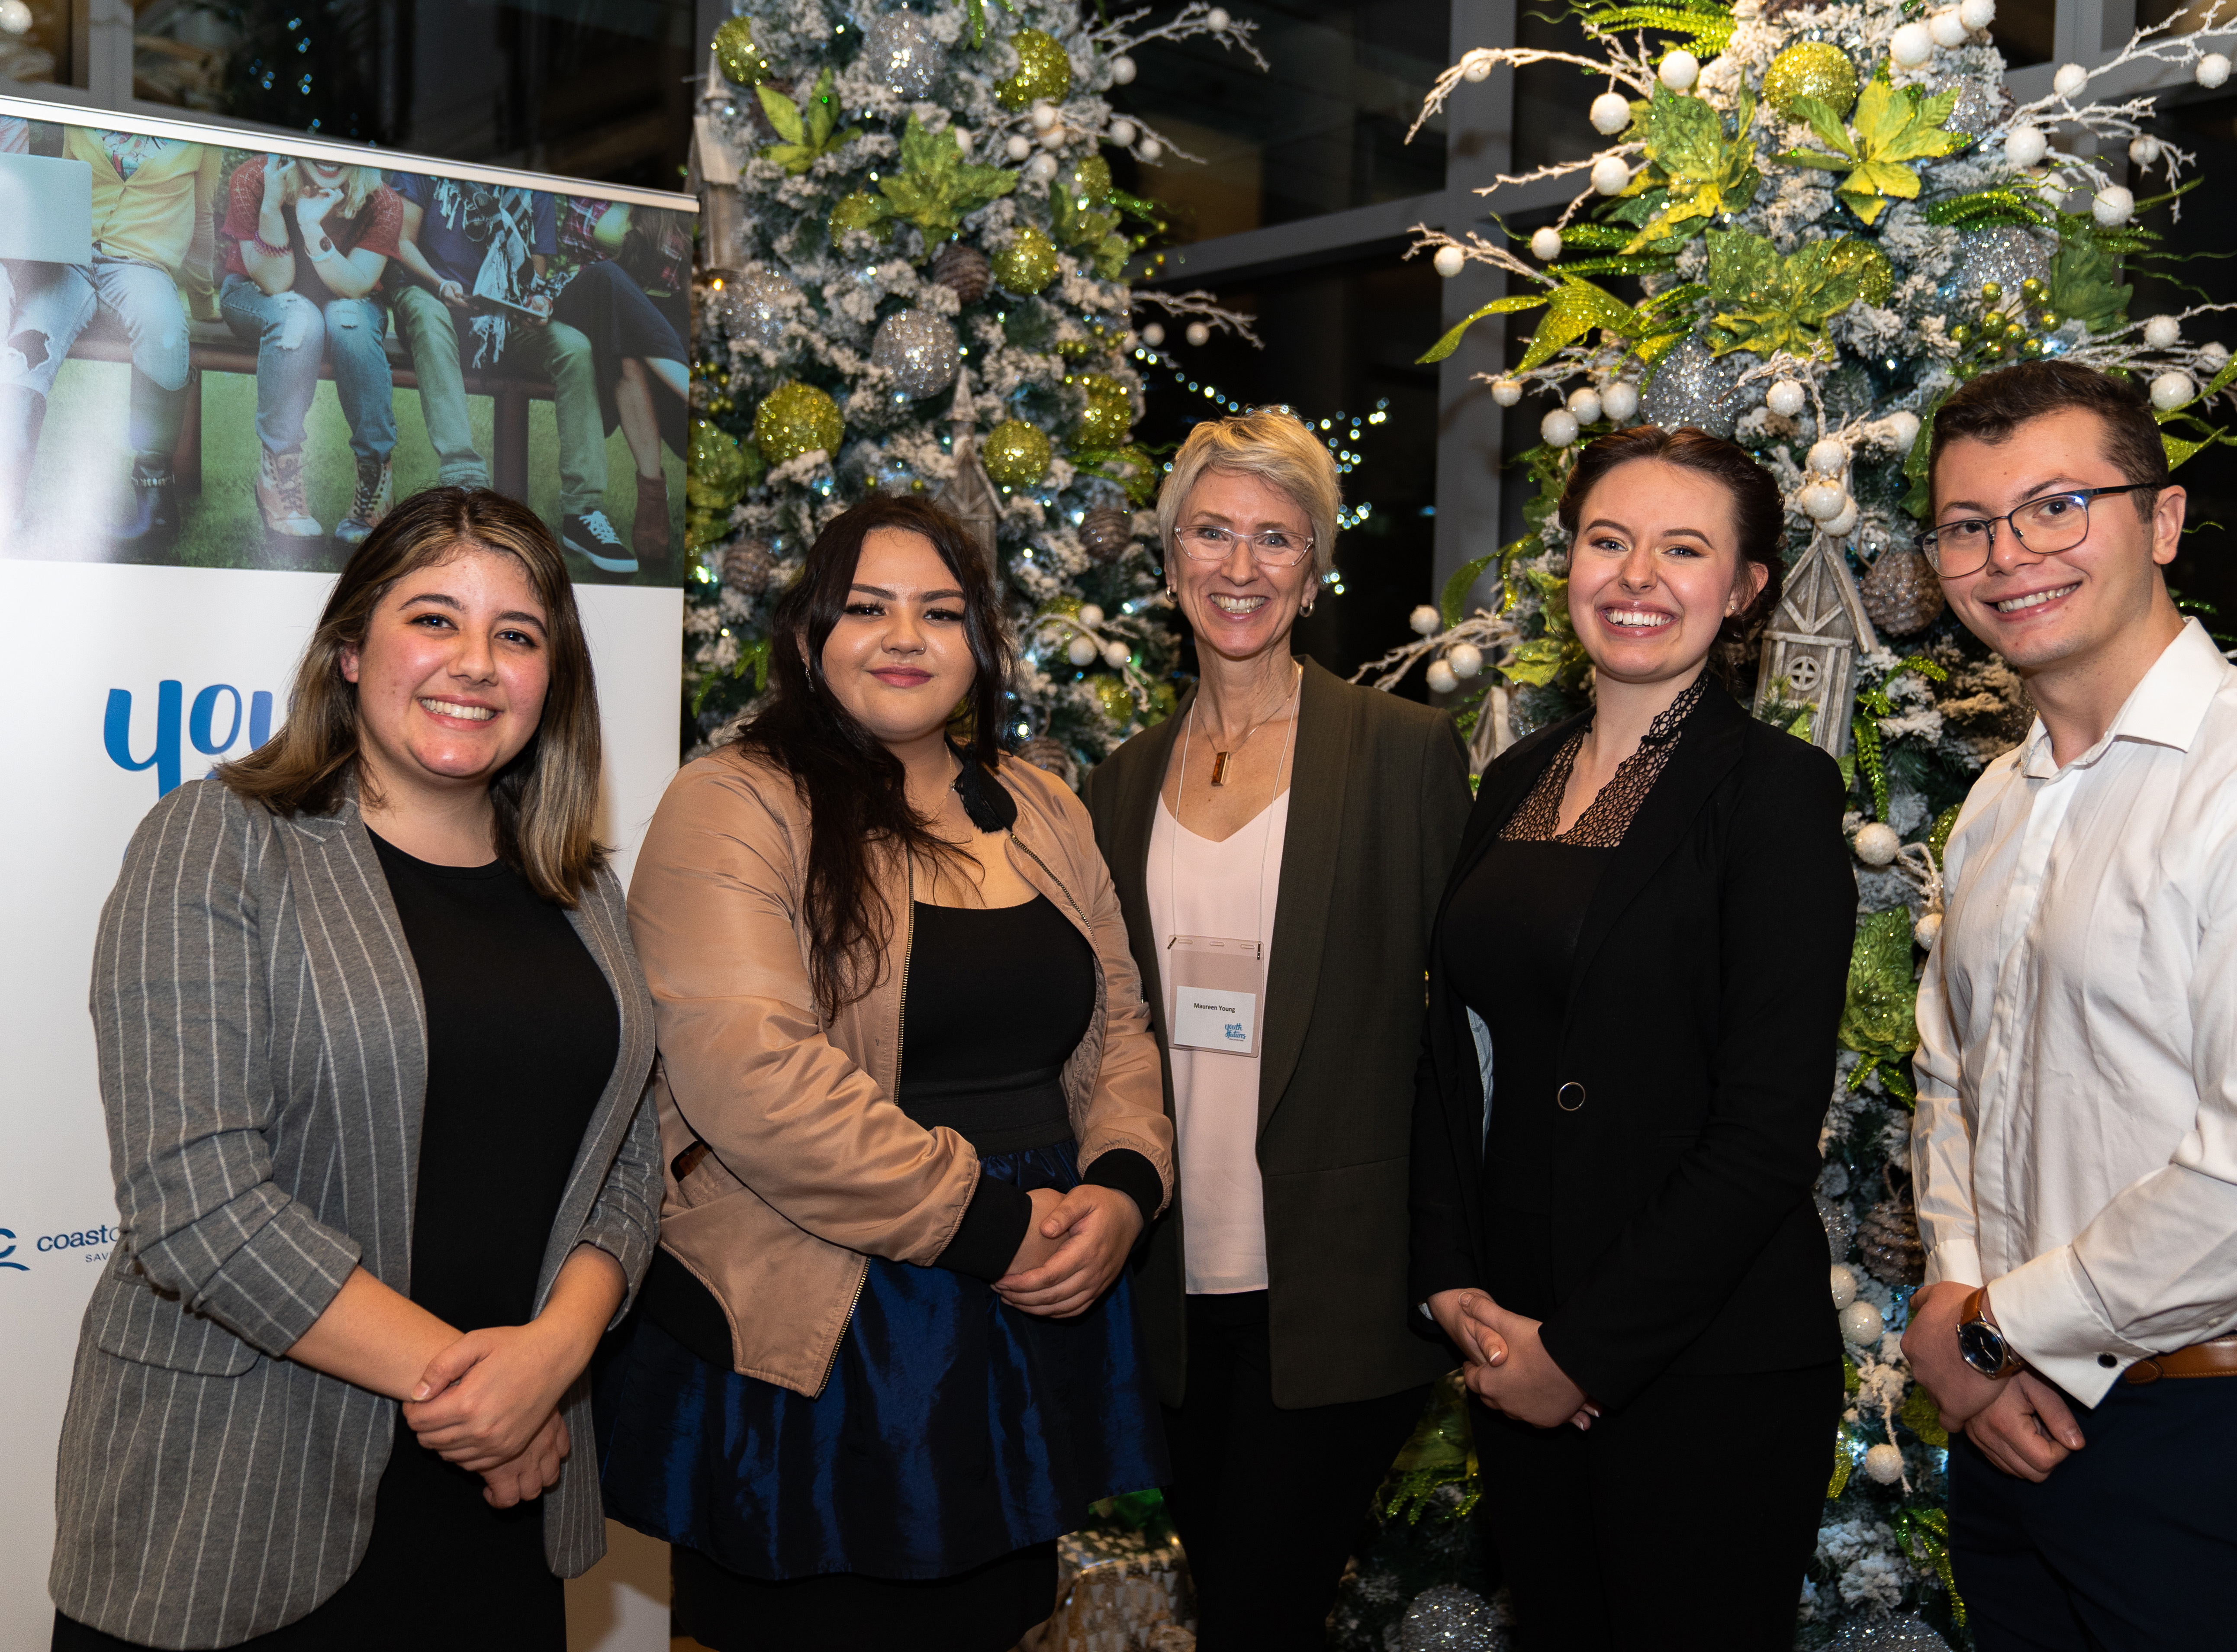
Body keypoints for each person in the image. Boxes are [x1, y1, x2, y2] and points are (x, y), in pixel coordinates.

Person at [50, 486, 662, 1650]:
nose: (474, 664)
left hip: (497, 1508)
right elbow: (197, 1201)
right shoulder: (219, 839)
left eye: (517, 635)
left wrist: (554, 1356)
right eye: (434, 619)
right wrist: (484, 1392)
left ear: (551, 679)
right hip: (236, 1504)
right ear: (349, 648)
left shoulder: (584, 892)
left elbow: (628, 1167)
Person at [1898, 360, 2237, 1650]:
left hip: (2232, 1452)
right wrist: (1959, 1300)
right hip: (2016, 1424)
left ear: (2163, 520)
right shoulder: (2000, 807)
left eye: (2056, 506)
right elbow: (1955, 1085)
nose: (2006, 554)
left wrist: (1988, 1332)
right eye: (1968, 525)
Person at [598, 493, 1173, 1652]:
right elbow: (751, 1078)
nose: (905, 637)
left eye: (941, 612)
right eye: (867, 608)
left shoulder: (1041, 806)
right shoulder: (734, 801)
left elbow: (1117, 1023)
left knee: (992, 1623)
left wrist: (1121, 1190)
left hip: (1024, 1305)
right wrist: (995, 1225)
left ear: (979, 643)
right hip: (828, 1316)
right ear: (811, 633)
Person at [1410, 425, 1856, 1648]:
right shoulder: (1513, 780)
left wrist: (1588, 1353)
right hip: (1513, 1332)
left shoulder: (1772, 792)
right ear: (1568, 566)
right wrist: (1451, 1278)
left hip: (1697, 1365)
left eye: (1681, 549)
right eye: (1607, 541)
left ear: (1745, 588)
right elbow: (1457, 1053)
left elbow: (1765, 1133)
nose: (1635, 576)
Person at [1083, 408, 1469, 1648]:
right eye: (1211, 533)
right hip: (1166, 1282)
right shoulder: (1123, 778)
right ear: (1170, 557)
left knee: (1264, 1602)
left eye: (1273, 539)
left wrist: (1451, 1256)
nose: (1238, 568)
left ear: (1313, 569)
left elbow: (1455, 1031)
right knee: (1232, 1591)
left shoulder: (1399, 754)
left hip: (1336, 1282)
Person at [385, 175, 634, 574]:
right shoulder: (428, 169)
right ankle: (463, 480)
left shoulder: (532, 187)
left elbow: (534, 268)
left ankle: (582, 512)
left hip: (499, 314)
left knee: (574, 348)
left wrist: (533, 299)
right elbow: (402, 242)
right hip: (433, 295)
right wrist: (440, 283)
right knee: (428, 314)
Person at [0, 125, 214, 544]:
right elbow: (63, 182)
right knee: (25, 349)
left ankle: (155, 497)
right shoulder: (81, 119)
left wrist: (204, 302)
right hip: (70, 260)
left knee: (167, 333)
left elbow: (202, 214)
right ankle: (9, 498)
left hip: (141, 267)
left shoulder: (198, 139)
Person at [219, 155, 403, 547]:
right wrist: (273, 204)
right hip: (259, 293)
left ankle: (376, 477)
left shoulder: (383, 201)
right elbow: (276, 281)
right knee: (298, 317)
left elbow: (355, 285)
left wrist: (308, 224)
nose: (330, 158)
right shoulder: (251, 178)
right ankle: (279, 472)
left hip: (345, 296)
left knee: (349, 322)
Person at [545, 197, 691, 572]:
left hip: (654, 317)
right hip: (589, 303)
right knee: (607, 275)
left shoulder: (671, 204)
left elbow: (684, 280)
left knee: (629, 352)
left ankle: (652, 492)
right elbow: (574, 258)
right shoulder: (589, 193)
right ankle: (694, 391)